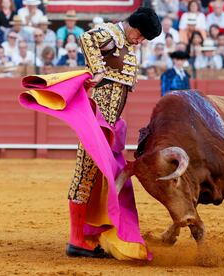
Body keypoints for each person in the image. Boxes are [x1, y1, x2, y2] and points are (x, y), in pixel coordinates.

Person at [67, 6, 161, 258]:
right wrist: (97, 69)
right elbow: (86, 37)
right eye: (140, 36)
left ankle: (88, 233)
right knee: (85, 173)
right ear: (133, 27)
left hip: (110, 124)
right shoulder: (112, 34)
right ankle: (76, 240)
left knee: (100, 177)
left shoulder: (125, 44)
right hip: (96, 122)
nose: (140, 42)